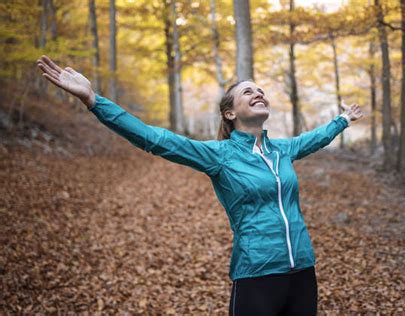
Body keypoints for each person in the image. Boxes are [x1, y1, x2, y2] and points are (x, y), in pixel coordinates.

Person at [37, 55, 363, 315]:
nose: (258, 93)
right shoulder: (219, 156)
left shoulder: (283, 151)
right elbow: (155, 138)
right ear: (230, 113)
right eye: (248, 91)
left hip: (304, 271)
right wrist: (95, 101)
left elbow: (316, 138)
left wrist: (343, 120)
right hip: (257, 274)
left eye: (260, 89)